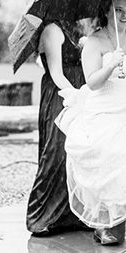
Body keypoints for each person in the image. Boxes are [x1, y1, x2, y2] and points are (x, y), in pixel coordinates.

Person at [57, 0, 126, 252]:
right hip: (104, 115)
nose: (125, 14)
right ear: (106, 11)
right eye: (118, 10)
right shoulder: (94, 42)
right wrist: (110, 65)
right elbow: (92, 82)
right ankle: (108, 225)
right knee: (115, 167)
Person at [25, 18, 91, 235]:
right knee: (56, 151)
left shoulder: (74, 27)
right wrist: (76, 96)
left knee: (77, 152)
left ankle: (70, 213)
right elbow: (56, 73)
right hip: (60, 95)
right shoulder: (52, 30)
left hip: (78, 91)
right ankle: (39, 216)